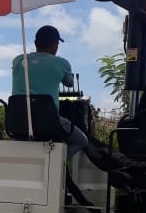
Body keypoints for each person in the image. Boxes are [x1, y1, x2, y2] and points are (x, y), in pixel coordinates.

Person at [11, 24, 88, 159]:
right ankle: (55, 163)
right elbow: (69, 83)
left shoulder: (18, 60)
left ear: (35, 43)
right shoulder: (61, 63)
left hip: (19, 122)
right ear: (55, 44)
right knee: (81, 141)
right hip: (48, 122)